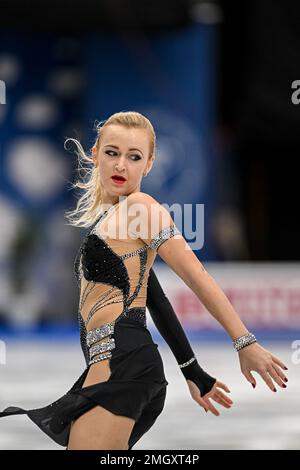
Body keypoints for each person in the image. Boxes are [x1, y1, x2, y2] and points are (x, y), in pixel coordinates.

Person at [0, 111, 288, 450]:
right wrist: (192, 370)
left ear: (149, 164)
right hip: (113, 369)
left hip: (125, 367)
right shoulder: (114, 219)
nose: (121, 164)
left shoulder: (141, 208)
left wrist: (245, 342)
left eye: (134, 156)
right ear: (95, 154)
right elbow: (157, 299)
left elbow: (197, 277)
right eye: (112, 153)